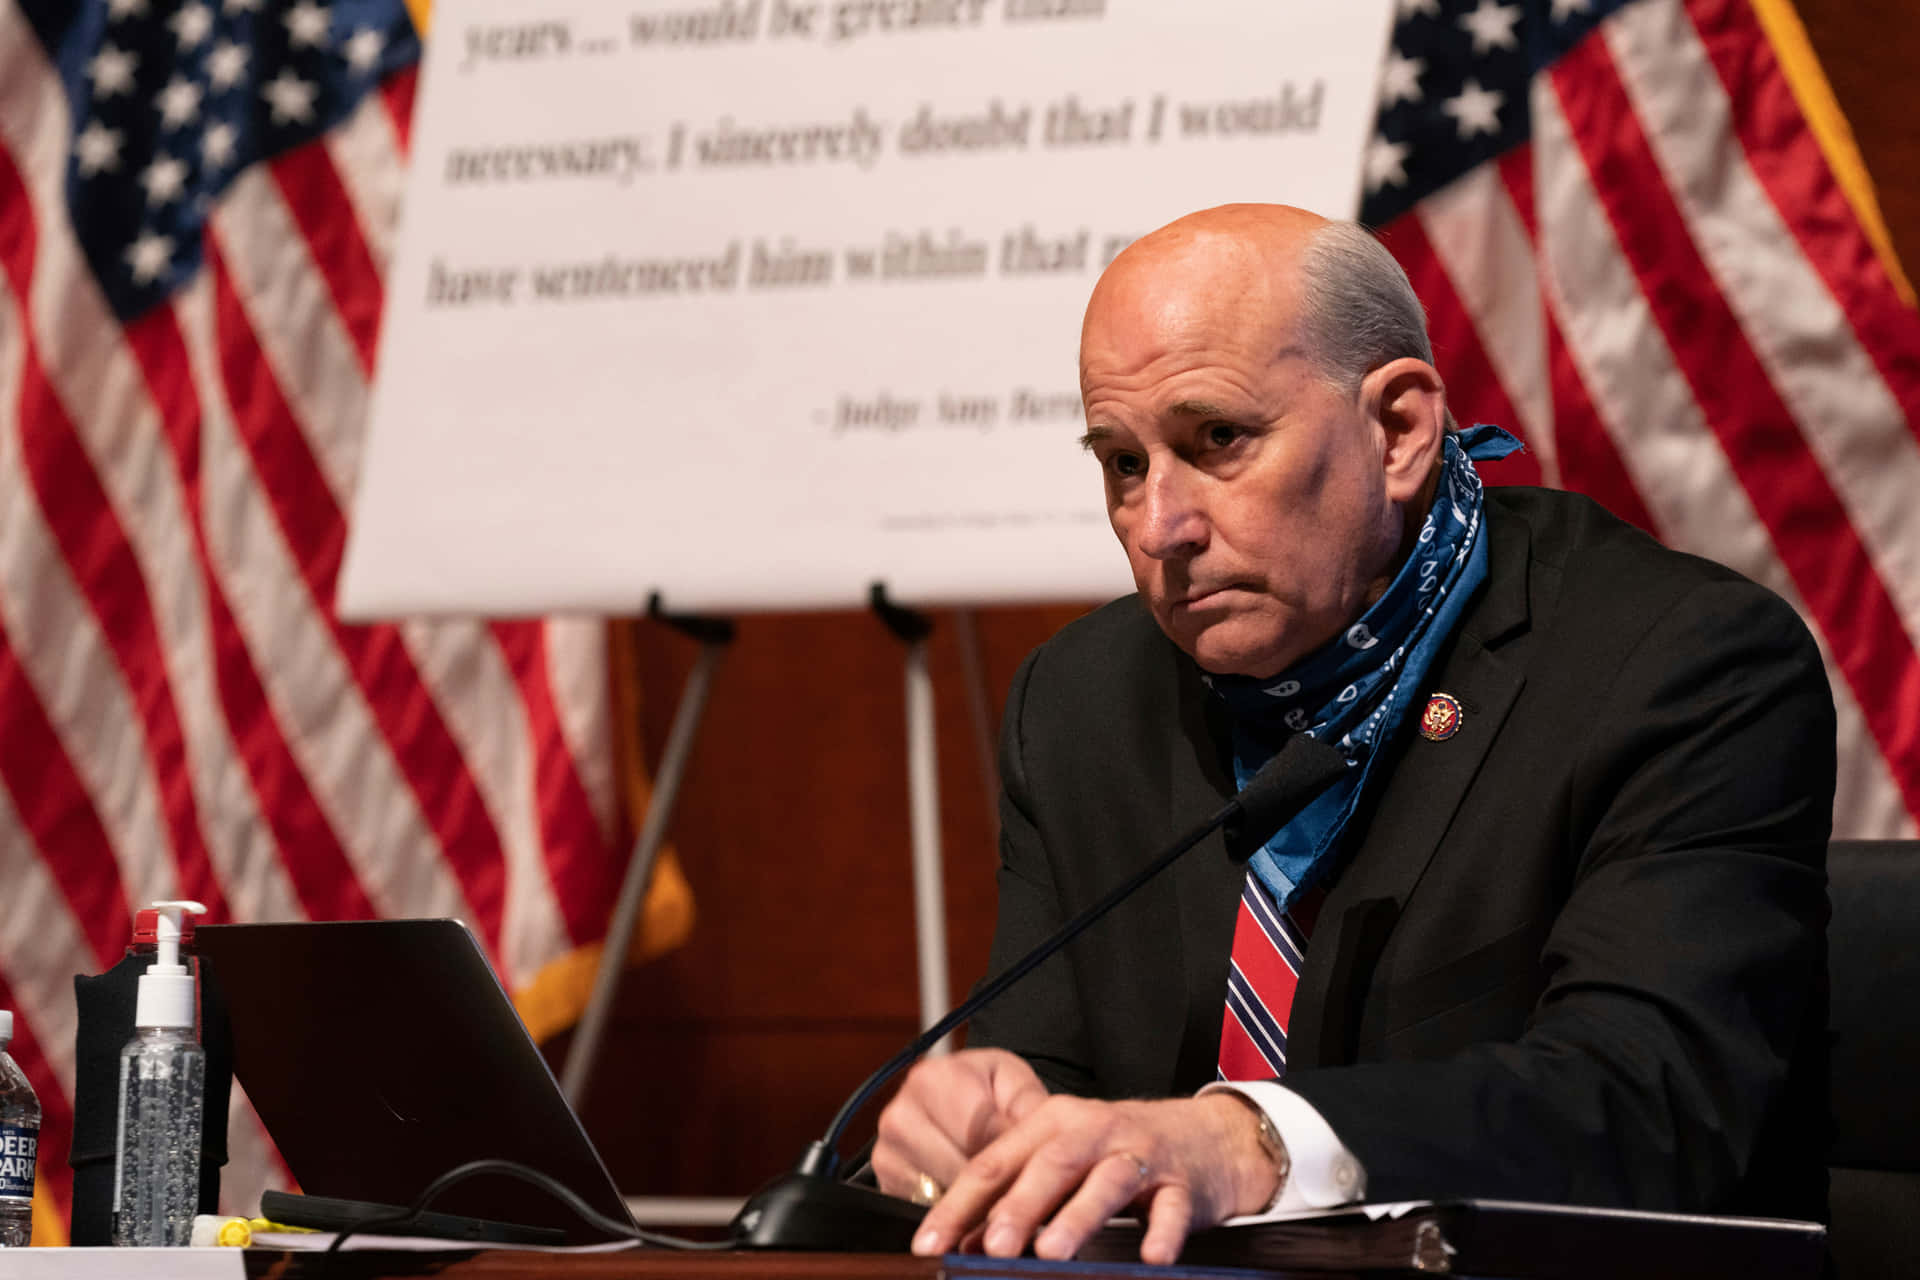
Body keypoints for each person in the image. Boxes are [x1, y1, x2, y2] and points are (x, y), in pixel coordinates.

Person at [870, 204, 1833, 1264]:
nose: (1160, 527)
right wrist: (977, 1131)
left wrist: (1251, 1139)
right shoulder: (1080, 701)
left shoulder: (1676, 664)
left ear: (1401, 429)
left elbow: (1648, 1098)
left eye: (1217, 440)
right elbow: (1053, 1092)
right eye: (1123, 462)